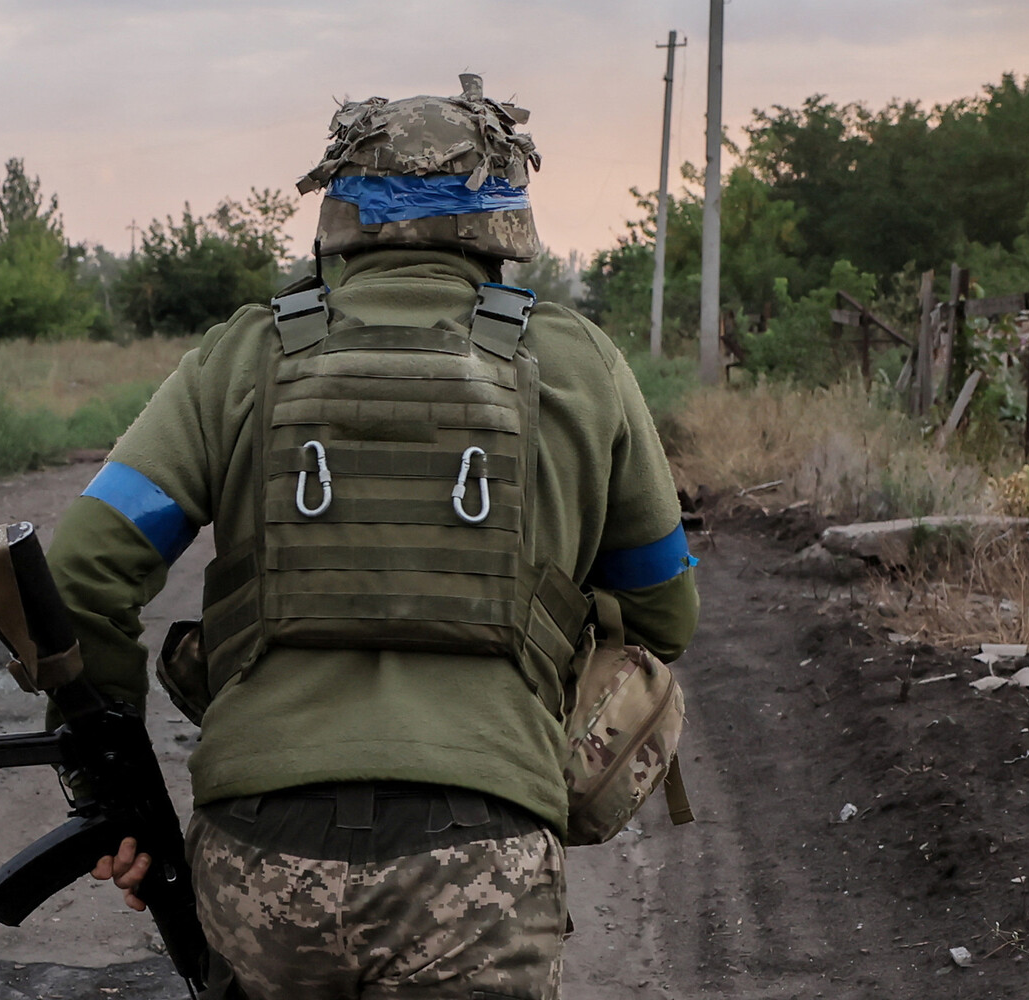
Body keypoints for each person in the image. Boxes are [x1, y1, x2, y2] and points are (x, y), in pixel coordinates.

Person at [49, 74, 699, 1000]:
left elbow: (82, 569)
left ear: (340, 213)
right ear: (503, 222)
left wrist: (116, 792)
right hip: (480, 856)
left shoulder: (242, 355)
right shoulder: (580, 363)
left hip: (259, 852)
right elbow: (664, 615)